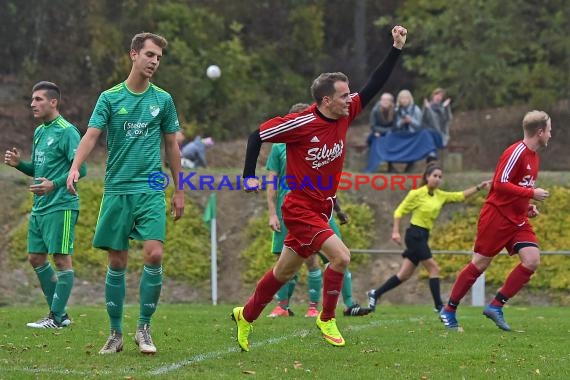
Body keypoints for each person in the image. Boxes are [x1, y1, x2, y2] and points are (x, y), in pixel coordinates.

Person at [230, 25, 407, 351]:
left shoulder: (344, 113)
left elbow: (373, 85)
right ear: (327, 100)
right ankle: (326, 317)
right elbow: (256, 136)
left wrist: (395, 48)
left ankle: (246, 314)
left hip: (321, 206)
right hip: (298, 207)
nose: (350, 97)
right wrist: (247, 175)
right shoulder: (302, 123)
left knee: (282, 272)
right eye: (343, 94)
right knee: (341, 257)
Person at [66, 32, 185, 354]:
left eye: (158, 58)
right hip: (117, 188)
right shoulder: (109, 98)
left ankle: (143, 328)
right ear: (133, 55)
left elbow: (172, 145)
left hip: (149, 188)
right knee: (117, 262)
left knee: (155, 254)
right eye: (149, 55)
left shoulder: (163, 100)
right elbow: (91, 135)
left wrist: (179, 189)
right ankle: (115, 333)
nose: (154, 62)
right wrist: (75, 166)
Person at [440, 110, 551, 331]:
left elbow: (517, 188)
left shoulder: (534, 157)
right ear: (540, 132)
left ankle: (496, 306)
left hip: (517, 219)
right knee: (479, 264)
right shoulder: (516, 152)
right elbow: (499, 184)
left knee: (532, 260)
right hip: (497, 217)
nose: (551, 134)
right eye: (549, 130)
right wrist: (530, 194)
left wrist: (527, 207)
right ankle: (449, 310)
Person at [265, 115, 371, 318]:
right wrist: (272, 214)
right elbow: (271, 182)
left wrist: (338, 210)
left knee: (335, 254)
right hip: (291, 210)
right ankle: (282, 307)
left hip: (321, 208)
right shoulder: (279, 146)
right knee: (286, 260)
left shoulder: (319, 142)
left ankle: (342, 305)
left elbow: (327, 182)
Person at [4, 81, 86, 328]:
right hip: (40, 206)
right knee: (35, 257)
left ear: (53, 102)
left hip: (61, 204)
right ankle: (60, 315)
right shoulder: (40, 132)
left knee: (62, 260)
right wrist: (20, 164)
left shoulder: (68, 131)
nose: (32, 104)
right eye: (32, 99)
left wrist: (55, 184)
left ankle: (55, 317)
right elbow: (39, 172)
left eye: (38, 99)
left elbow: (80, 168)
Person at [367, 162, 490, 313]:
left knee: (404, 275)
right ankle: (439, 306)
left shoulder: (441, 195)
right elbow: (398, 212)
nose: (437, 179)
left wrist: (479, 187)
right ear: (427, 177)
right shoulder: (416, 194)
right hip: (414, 235)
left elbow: (460, 196)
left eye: (440, 177)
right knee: (434, 268)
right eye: (434, 176)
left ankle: (375, 293)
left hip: (423, 235)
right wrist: (395, 232)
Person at [364, 92, 396, 173]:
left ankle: (390, 166)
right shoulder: (375, 110)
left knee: (391, 141)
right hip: (376, 133)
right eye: (383, 99)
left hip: (390, 134)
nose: (384, 101)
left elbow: (395, 126)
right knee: (376, 141)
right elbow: (373, 126)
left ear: (391, 102)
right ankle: (372, 166)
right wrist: (381, 131)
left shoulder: (395, 111)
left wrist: (388, 131)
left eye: (387, 100)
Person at [394, 89, 423, 172]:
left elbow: (420, 125)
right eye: (402, 98)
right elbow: (394, 126)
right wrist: (402, 122)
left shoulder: (416, 109)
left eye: (406, 98)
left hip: (412, 134)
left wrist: (411, 121)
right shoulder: (396, 110)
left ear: (410, 99)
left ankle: (411, 164)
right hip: (400, 134)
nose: (404, 100)